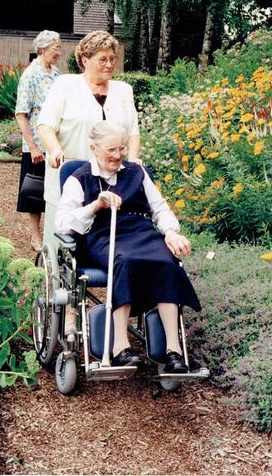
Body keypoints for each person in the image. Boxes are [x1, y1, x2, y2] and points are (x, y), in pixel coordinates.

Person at [55, 122, 201, 373]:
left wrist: (170, 232)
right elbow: (63, 223)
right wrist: (96, 205)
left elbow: (160, 208)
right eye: (111, 149)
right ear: (94, 148)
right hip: (103, 235)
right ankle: (120, 347)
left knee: (167, 261)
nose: (118, 155)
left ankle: (174, 351)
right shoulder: (79, 178)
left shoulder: (136, 172)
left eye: (122, 148)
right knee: (124, 261)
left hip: (142, 232)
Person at [37, 30, 140, 248]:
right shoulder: (65, 85)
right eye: (102, 59)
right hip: (70, 172)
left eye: (112, 59)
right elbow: (45, 124)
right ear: (85, 60)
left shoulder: (124, 91)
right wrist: (54, 149)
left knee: (108, 237)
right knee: (63, 236)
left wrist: (132, 162)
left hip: (111, 178)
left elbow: (133, 131)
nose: (109, 64)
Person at [15, 30, 62, 252]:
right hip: (38, 146)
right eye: (56, 48)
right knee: (35, 191)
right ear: (43, 49)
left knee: (56, 190)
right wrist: (33, 147)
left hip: (56, 145)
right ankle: (35, 236)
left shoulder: (57, 74)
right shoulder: (30, 75)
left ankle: (55, 232)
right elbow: (21, 114)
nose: (59, 52)